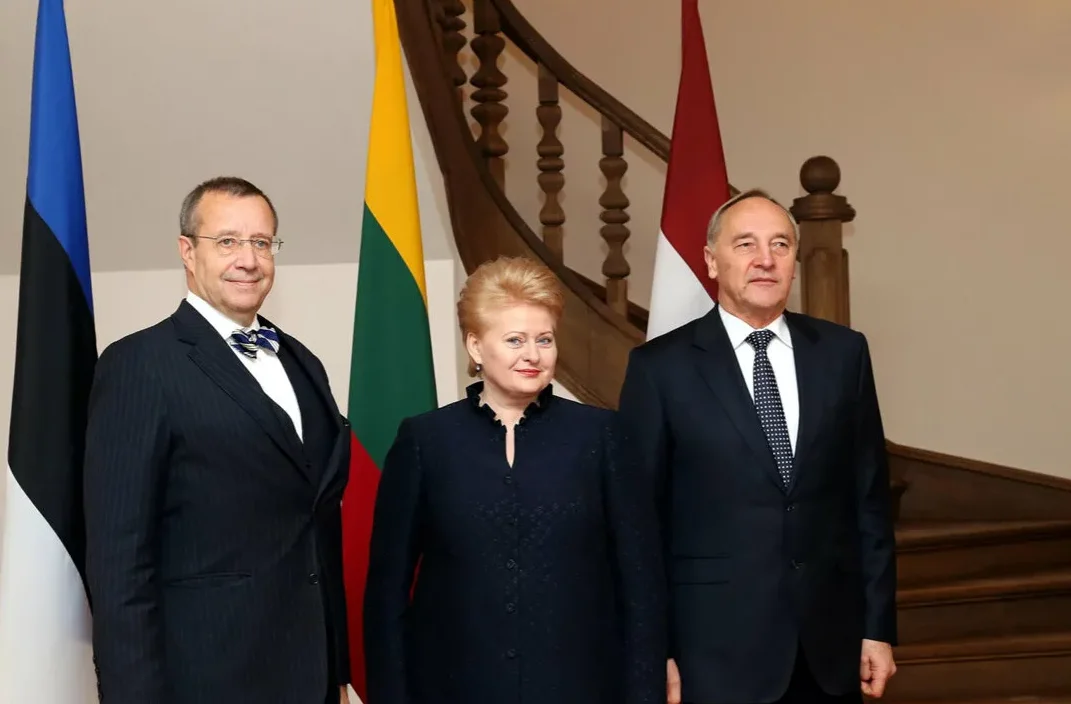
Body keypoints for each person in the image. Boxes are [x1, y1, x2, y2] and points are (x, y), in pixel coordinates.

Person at [618, 189, 898, 704]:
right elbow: (639, 524)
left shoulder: (843, 354)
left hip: (829, 650)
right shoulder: (660, 369)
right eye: (745, 244)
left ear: (794, 260)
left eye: (780, 244)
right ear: (711, 261)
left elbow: (869, 502)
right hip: (713, 656)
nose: (765, 259)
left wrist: (877, 628)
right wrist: (654, 649)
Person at [83, 176, 351, 704]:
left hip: (312, 678)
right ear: (187, 251)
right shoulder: (140, 364)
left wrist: (337, 673)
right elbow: (118, 563)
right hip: (204, 680)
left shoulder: (303, 362)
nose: (248, 260)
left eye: (261, 242)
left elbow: (316, 529)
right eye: (227, 241)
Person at [363, 255, 666, 704]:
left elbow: (641, 585)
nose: (533, 355)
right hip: (453, 689)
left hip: (581, 689)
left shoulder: (602, 435)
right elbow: (386, 594)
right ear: (475, 346)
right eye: (514, 340)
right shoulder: (425, 441)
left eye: (545, 339)